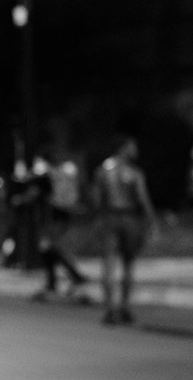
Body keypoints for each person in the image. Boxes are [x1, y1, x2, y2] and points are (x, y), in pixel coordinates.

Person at [91, 136, 157, 325]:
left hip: (109, 217)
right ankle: (125, 307)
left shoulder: (103, 170)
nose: (135, 150)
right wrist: (151, 220)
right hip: (129, 218)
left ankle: (110, 309)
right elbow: (143, 199)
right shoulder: (134, 172)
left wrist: (98, 218)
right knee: (128, 264)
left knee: (108, 263)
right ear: (123, 148)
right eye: (132, 147)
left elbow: (97, 198)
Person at [31, 153, 90, 301]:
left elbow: (35, 193)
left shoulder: (46, 176)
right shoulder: (64, 173)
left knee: (49, 247)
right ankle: (56, 282)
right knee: (51, 248)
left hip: (52, 216)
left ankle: (74, 277)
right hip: (64, 215)